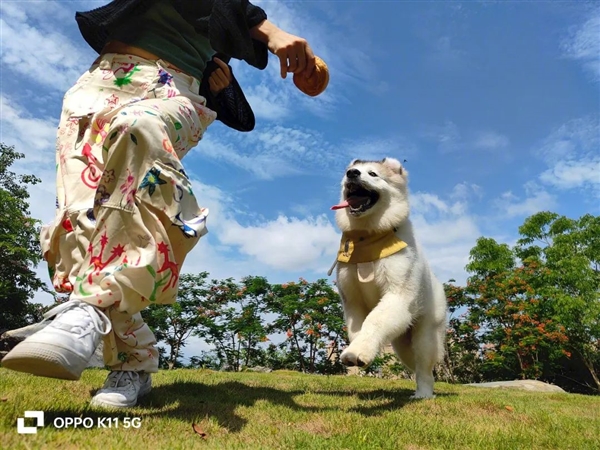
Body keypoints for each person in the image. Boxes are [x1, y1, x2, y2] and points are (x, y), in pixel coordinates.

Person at [1, 0, 317, 409]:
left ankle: (84, 310)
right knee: (83, 215)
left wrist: (273, 38)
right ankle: (132, 362)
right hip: (99, 83)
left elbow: (241, 111)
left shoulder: (225, 27)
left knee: (140, 130)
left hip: (173, 89)